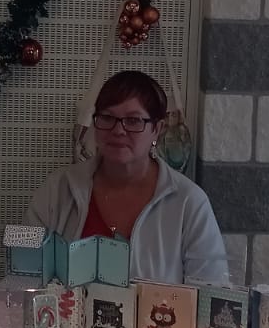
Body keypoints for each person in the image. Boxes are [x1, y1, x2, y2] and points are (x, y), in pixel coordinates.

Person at [26, 70, 230, 285]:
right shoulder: (58, 189)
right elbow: (26, 273)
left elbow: (210, 292)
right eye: (107, 118)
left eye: (133, 121)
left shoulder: (189, 202)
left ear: (157, 129)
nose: (118, 130)